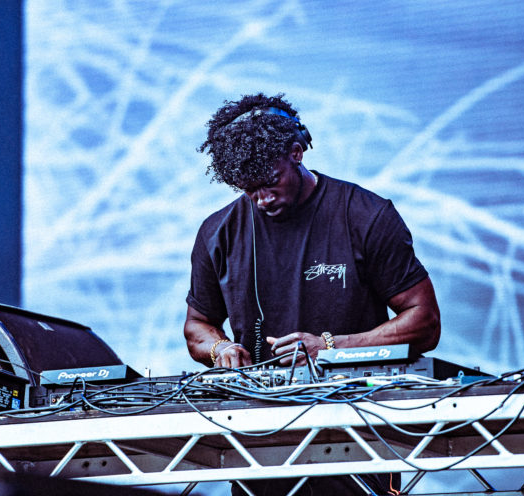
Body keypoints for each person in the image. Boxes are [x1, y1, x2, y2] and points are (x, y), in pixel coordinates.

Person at [184, 93, 440, 495]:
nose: (262, 199)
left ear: (296, 153)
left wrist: (331, 347)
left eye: (270, 182)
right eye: (249, 190)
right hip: (260, 440)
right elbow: (197, 326)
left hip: (360, 430)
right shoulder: (218, 233)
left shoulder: (365, 215)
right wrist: (221, 349)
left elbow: (424, 320)